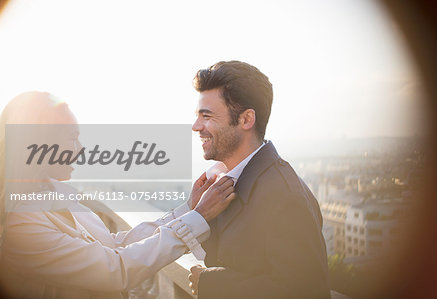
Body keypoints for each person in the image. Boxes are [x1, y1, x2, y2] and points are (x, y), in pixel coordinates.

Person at [0, 91, 236, 298]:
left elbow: (112, 246)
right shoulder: (20, 225)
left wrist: (190, 209)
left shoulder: (52, 197)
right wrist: (200, 216)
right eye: (72, 137)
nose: (80, 148)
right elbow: (115, 268)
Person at [188, 61, 330, 298]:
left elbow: (307, 291)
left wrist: (213, 284)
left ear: (246, 120)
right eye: (197, 116)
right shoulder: (228, 184)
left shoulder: (284, 195)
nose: (196, 126)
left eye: (207, 116)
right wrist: (199, 214)